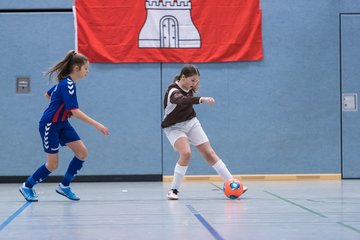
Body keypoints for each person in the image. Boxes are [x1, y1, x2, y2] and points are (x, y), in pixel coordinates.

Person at [19, 50, 110, 202]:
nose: (87, 71)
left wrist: (60, 109)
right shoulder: (67, 85)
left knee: (82, 152)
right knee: (52, 164)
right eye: (86, 68)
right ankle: (27, 186)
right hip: (50, 125)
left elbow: (48, 95)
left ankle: (64, 186)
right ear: (76, 68)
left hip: (62, 124)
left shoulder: (67, 84)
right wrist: (97, 125)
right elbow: (74, 111)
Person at [162, 64, 247, 200]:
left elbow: (188, 96)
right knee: (186, 153)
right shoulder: (173, 91)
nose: (194, 84)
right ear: (183, 77)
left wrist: (196, 92)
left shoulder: (189, 87)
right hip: (174, 127)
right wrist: (201, 99)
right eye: (192, 80)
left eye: (197, 81)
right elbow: (182, 100)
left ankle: (232, 182)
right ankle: (174, 190)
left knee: (209, 153)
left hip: (191, 123)